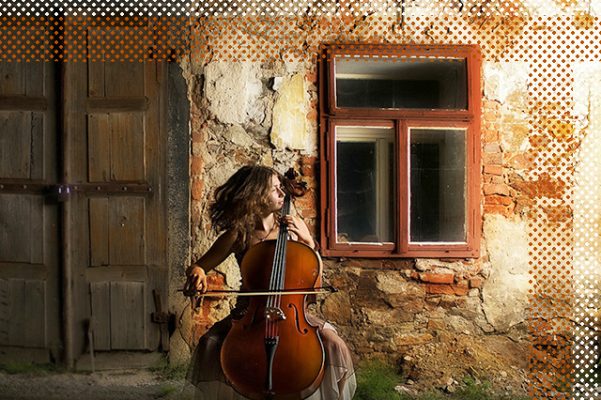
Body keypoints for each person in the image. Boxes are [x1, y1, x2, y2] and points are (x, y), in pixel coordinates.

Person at [184, 165, 356, 400]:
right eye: (275, 189)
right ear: (255, 195)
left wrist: (307, 241)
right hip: (249, 315)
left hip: (291, 315)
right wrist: (198, 274)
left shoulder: (292, 231)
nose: (282, 194)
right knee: (210, 343)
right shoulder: (238, 234)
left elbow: (314, 281)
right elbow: (200, 265)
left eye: (280, 188)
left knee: (333, 344)